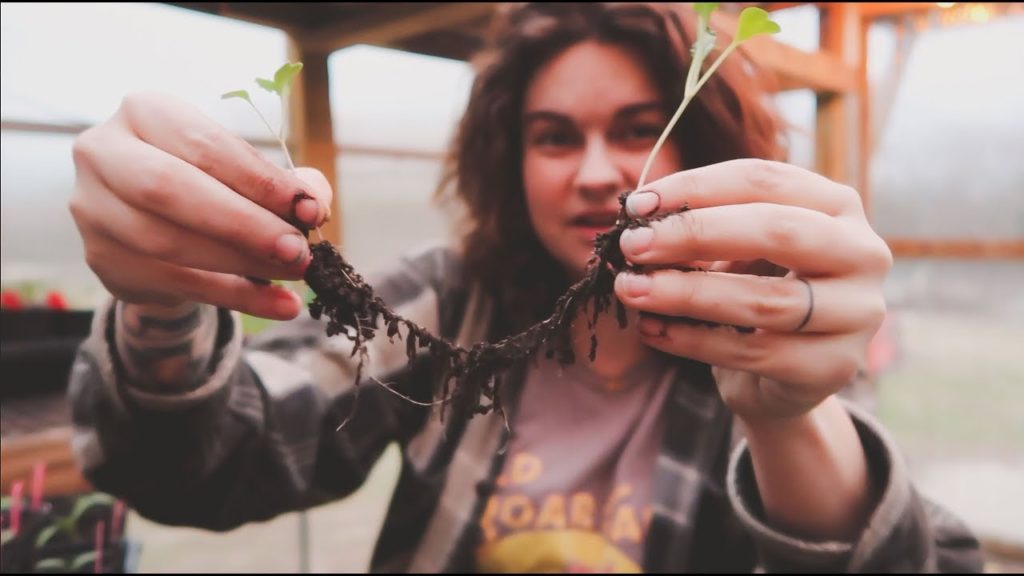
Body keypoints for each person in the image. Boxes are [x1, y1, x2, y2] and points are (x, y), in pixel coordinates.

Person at [65, 3, 983, 573]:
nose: (594, 173)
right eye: (553, 137)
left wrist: (788, 417)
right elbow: (204, 462)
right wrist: (160, 298)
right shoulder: (447, 304)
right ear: (510, 162)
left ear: (702, 147)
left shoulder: (762, 324)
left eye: (636, 128)